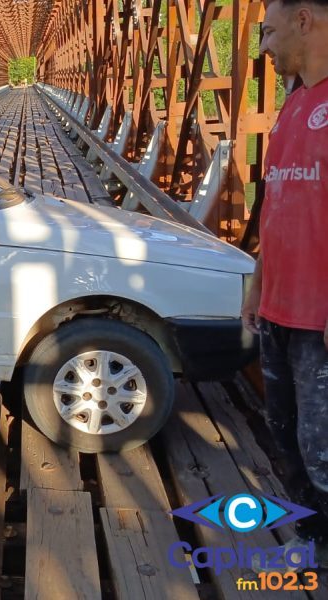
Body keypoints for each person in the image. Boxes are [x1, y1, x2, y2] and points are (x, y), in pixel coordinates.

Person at [242, 0, 328, 565]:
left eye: (269, 32)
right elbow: (277, 202)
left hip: (318, 320)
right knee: (287, 434)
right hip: (277, 308)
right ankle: (313, 538)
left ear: (305, 21)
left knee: (324, 447)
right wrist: (257, 280)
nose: (263, 48)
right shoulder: (292, 106)